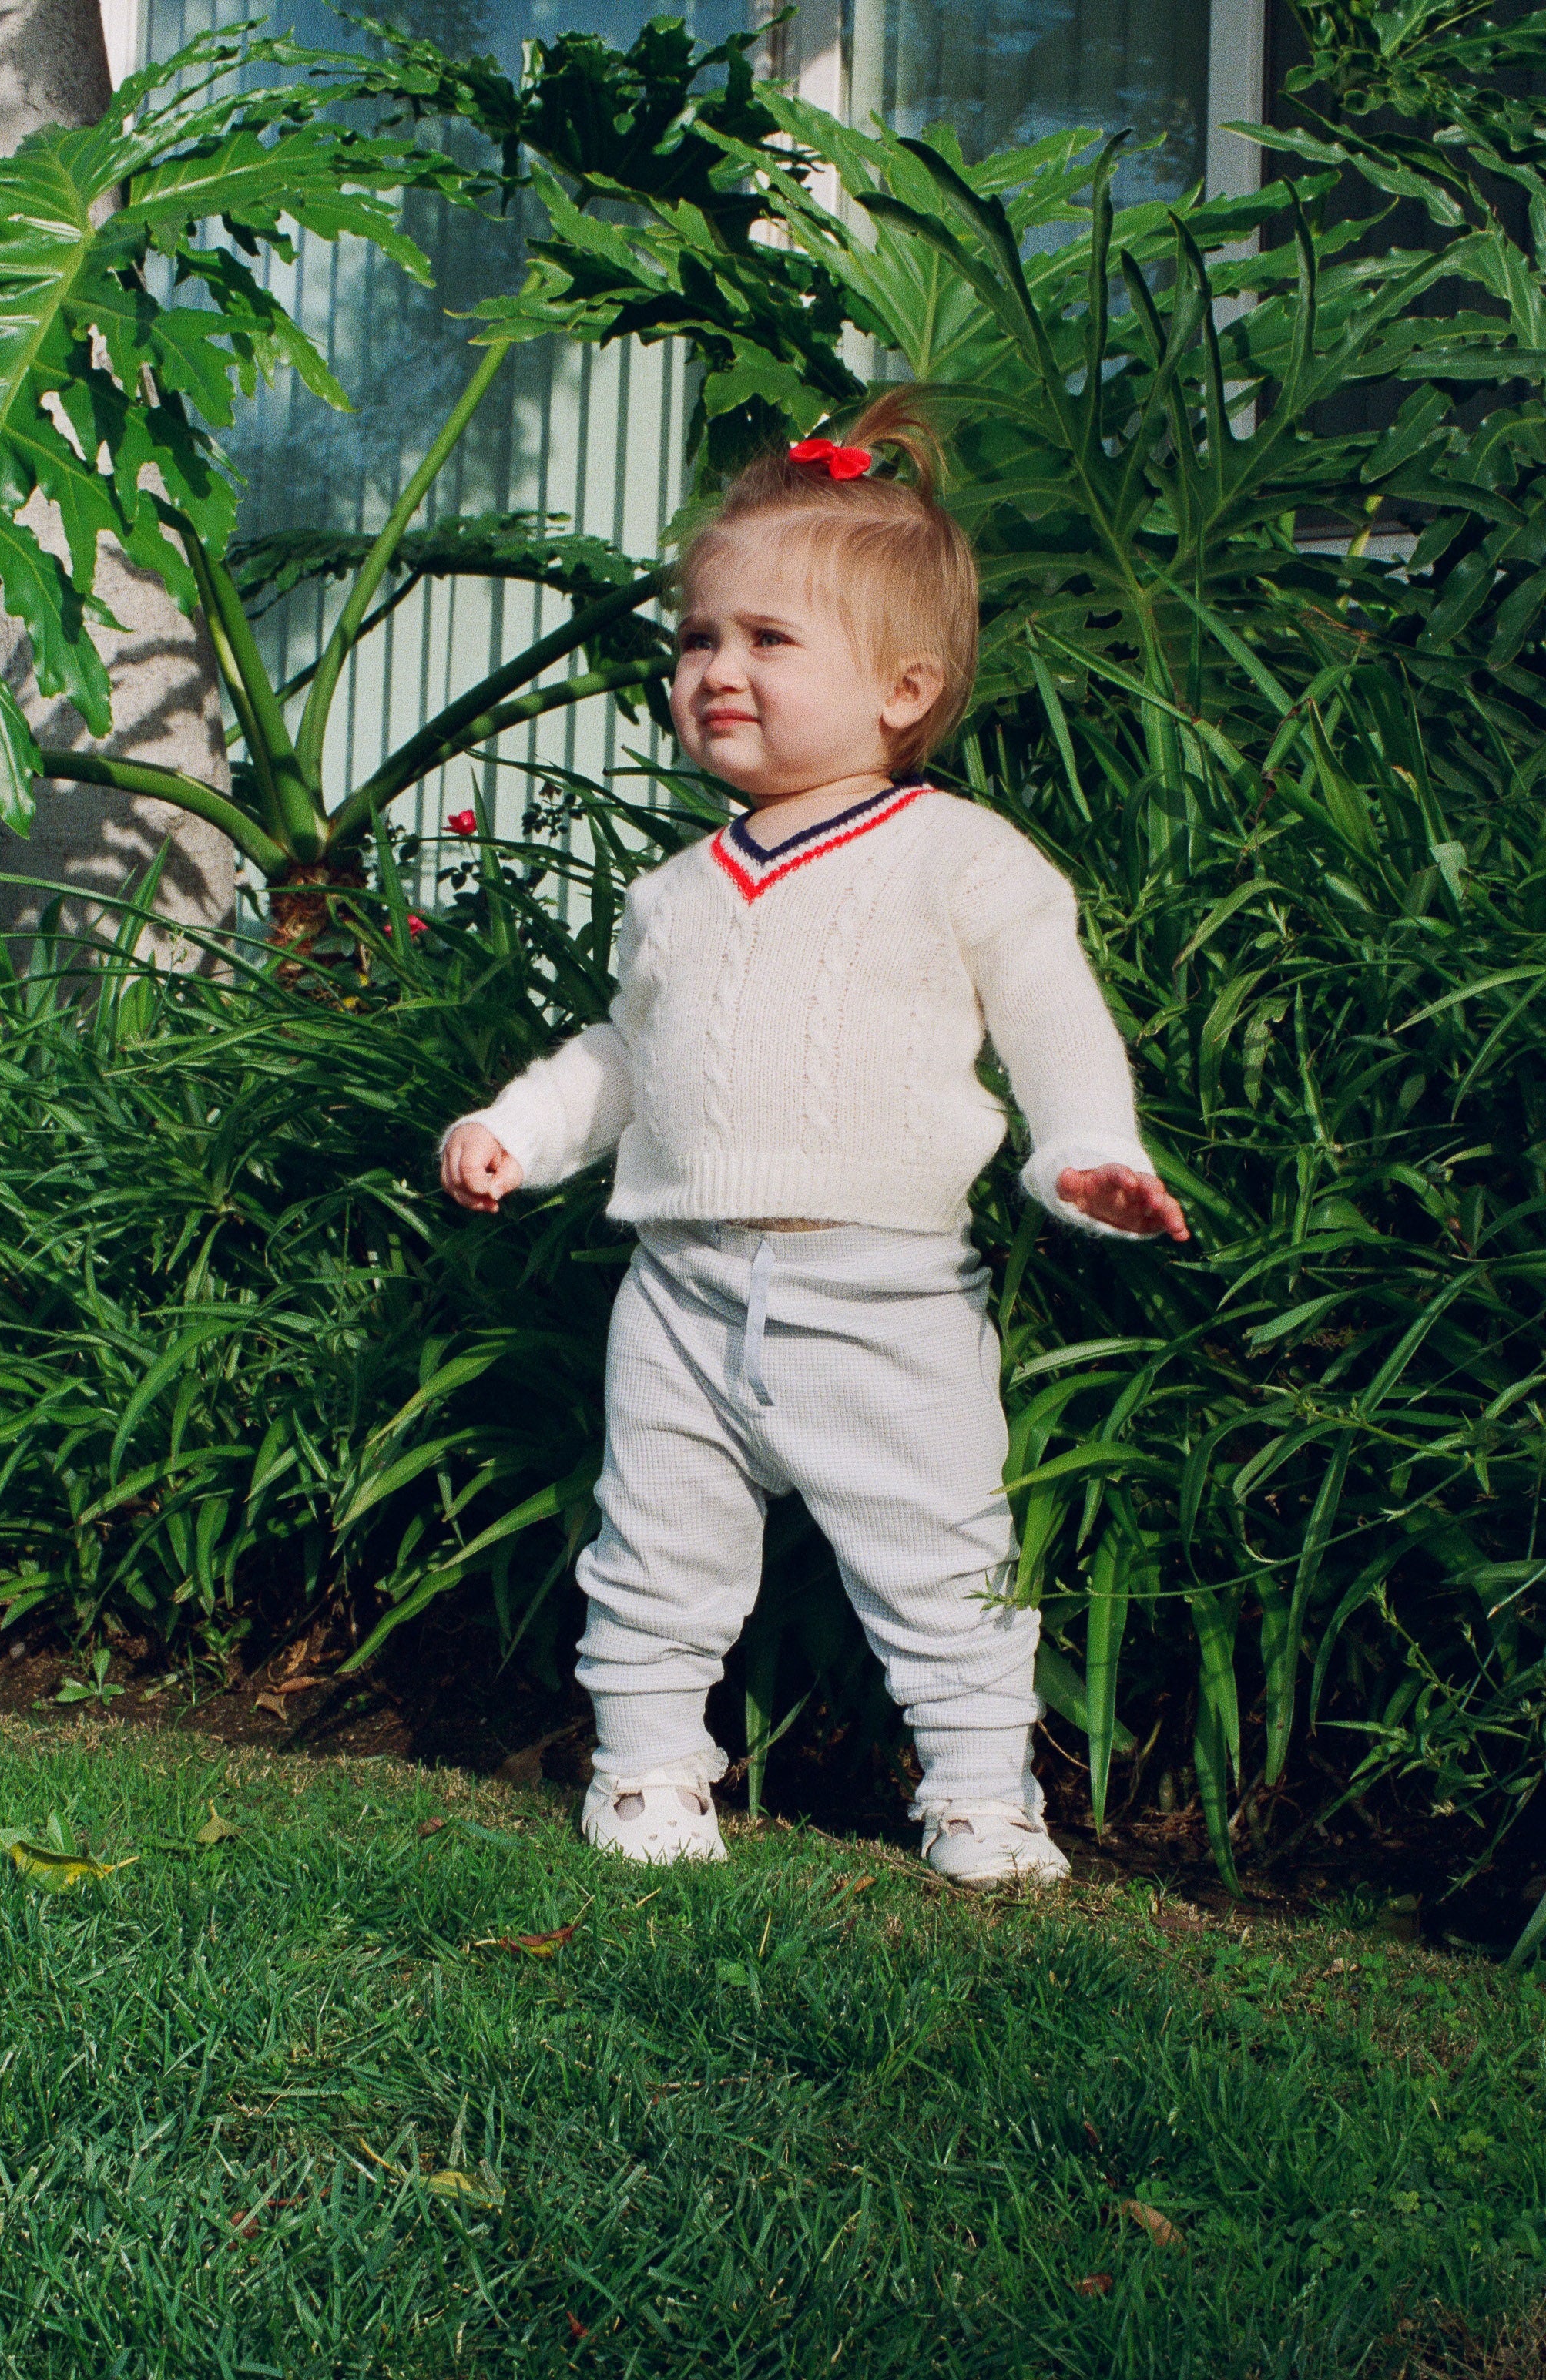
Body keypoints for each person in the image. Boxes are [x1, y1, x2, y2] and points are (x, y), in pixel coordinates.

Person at [440, 390, 1189, 1885]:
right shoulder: (676, 890)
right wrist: (519, 1127)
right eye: (698, 639)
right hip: (681, 1289)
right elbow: (625, 1055)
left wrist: (1083, 1158)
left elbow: (1052, 1023)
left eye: (768, 640)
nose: (717, 670)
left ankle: (981, 1798)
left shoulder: (960, 858)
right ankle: (646, 1772)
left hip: (888, 1299)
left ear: (905, 688)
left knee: (941, 1557)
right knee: (654, 1549)